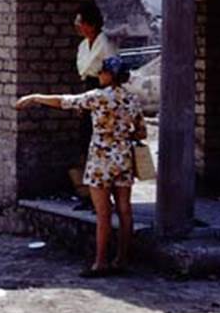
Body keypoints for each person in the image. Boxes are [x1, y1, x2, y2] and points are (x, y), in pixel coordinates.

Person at [15, 55, 145, 277]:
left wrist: (36, 97)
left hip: (101, 160)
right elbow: (141, 131)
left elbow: (65, 101)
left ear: (109, 75)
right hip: (123, 159)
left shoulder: (97, 97)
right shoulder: (131, 100)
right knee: (125, 210)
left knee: (103, 213)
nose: (99, 75)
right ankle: (122, 259)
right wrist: (122, 134)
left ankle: (100, 262)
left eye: (102, 71)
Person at [72, 2, 118, 211]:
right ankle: (89, 194)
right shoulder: (83, 46)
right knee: (86, 143)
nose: (78, 26)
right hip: (87, 91)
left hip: (102, 92)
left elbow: (112, 73)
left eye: (81, 22)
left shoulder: (104, 44)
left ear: (90, 24)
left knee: (100, 145)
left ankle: (104, 197)